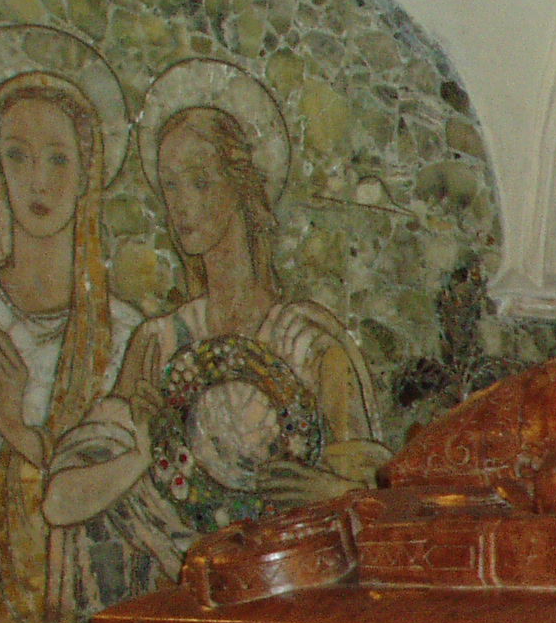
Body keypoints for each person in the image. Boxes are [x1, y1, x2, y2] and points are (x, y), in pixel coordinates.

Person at [117, 58, 386, 542]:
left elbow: (377, 498)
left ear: (241, 186)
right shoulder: (156, 344)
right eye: (169, 185)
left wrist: (333, 493)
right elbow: (115, 494)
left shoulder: (309, 345)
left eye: (199, 181)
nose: (180, 205)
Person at [0, 27, 147, 623]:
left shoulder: (124, 334)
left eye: (58, 158)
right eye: (17, 156)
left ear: (89, 173)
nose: (38, 181)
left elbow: (104, 499)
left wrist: (14, 425)